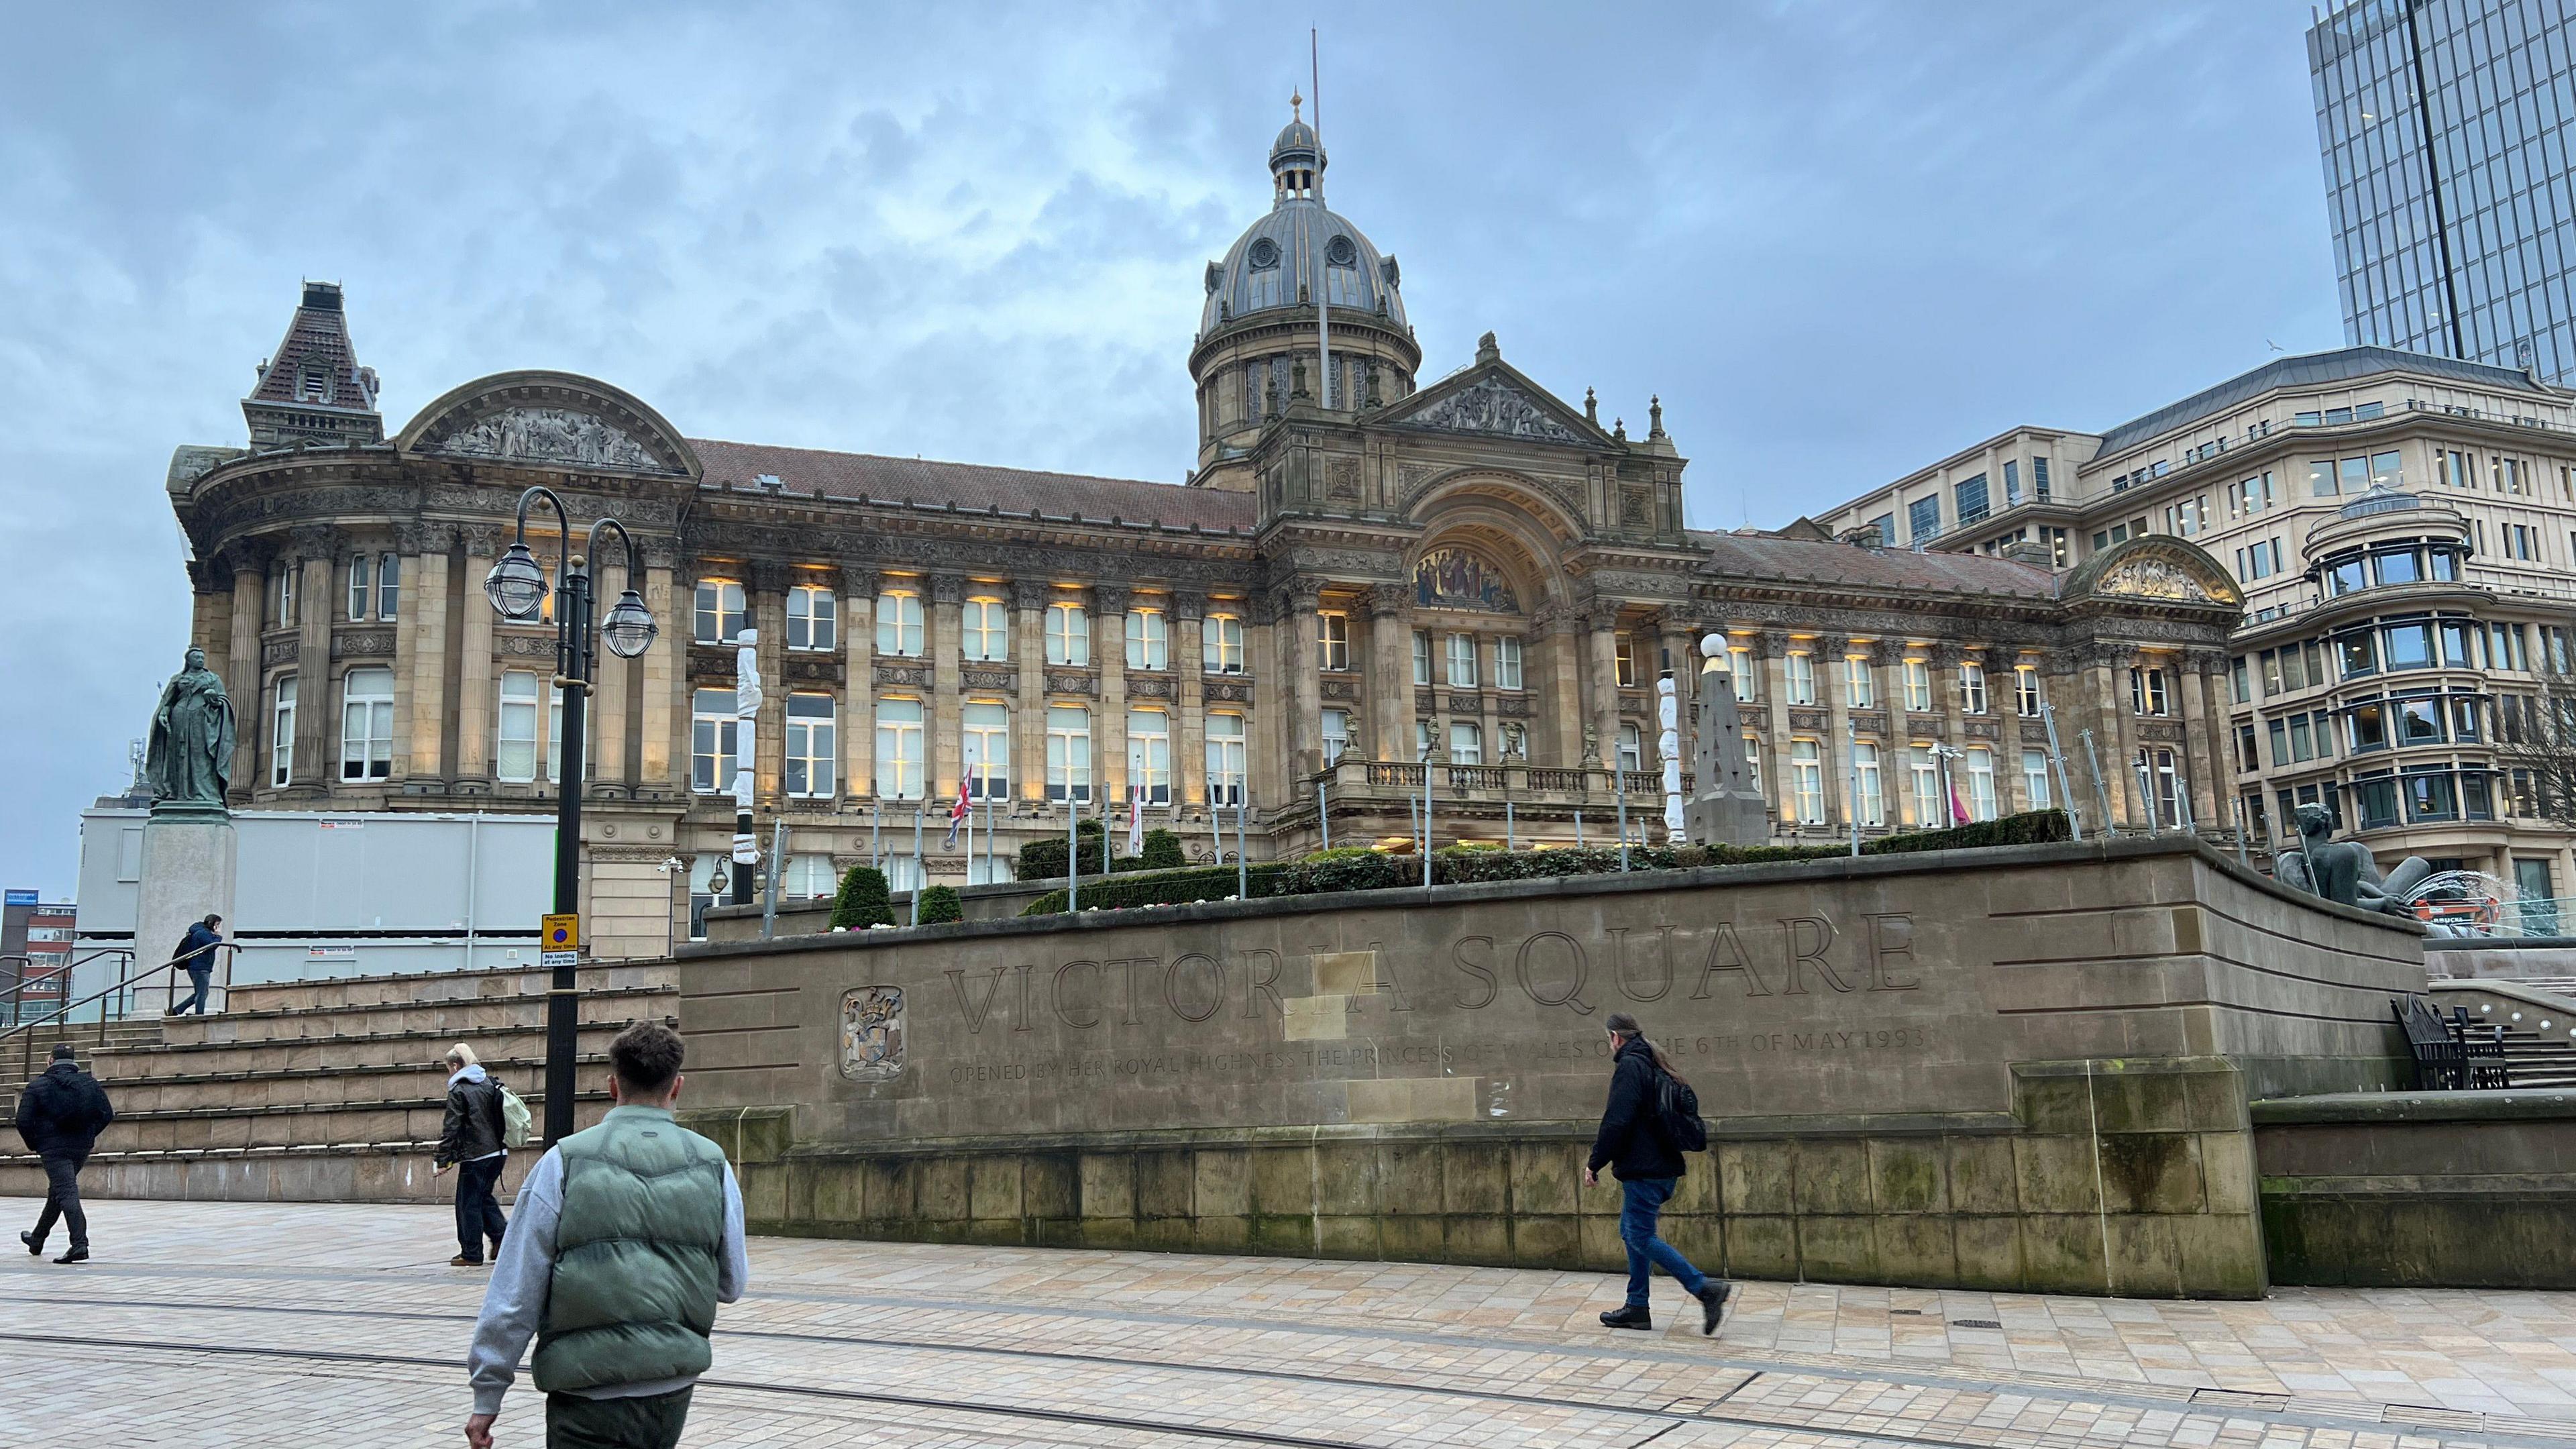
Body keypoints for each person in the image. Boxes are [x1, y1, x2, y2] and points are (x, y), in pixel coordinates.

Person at [466, 1021, 747, 1449]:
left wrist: (489, 1394)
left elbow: (515, 1293)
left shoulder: (563, 1162)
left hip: (584, 1389)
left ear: (613, 1086)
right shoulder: (714, 1165)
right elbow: (731, 1284)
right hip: (669, 1385)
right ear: (677, 1087)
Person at [1584, 1011, 1729, 1334]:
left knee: (1639, 1235)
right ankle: (1637, 1307)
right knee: (1631, 1232)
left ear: (1615, 1038)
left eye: (1608, 1039)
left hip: (1645, 1169)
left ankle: (1704, 1288)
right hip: (1660, 1167)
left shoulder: (1631, 1066)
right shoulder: (1653, 1063)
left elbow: (1616, 1121)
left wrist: (1595, 1163)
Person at [16, 1043, 115, 1264]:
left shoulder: (38, 1086)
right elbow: (107, 1114)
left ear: (50, 1061)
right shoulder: (89, 1083)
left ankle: (79, 1244)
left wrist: (36, 1143)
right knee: (59, 1191)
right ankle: (37, 1238)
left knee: (66, 1192)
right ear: (73, 1061)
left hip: (53, 1148)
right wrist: (89, 1135)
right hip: (80, 1147)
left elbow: (23, 1120)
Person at [433, 1043, 510, 1268]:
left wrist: (442, 1159)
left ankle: (471, 1253)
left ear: (456, 1065)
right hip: (498, 1151)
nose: (449, 1073)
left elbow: (452, 1128)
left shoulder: (459, 1089)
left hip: (476, 1155)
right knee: (483, 1197)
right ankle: (502, 1237)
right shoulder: (489, 1082)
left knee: (468, 1203)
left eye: (449, 1068)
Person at [166, 914, 223, 1016]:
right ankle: (199, 1015)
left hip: (200, 967)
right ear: (212, 924)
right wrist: (218, 935)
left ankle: (176, 1010)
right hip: (200, 968)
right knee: (202, 993)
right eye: (217, 925)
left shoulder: (201, 932)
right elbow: (212, 945)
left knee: (200, 992)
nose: (218, 927)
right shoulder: (202, 933)